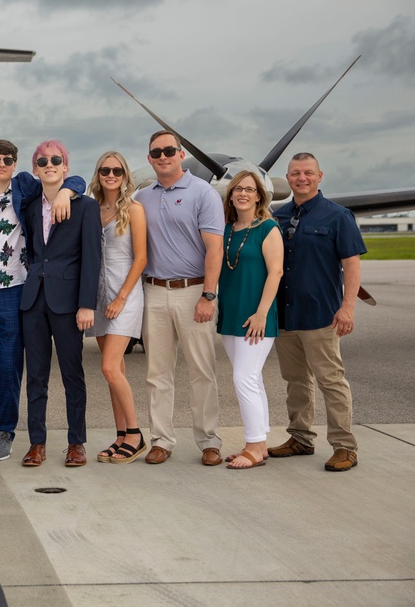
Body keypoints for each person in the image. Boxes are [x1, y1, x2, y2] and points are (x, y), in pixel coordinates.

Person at [0, 139, 85, 462]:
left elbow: (70, 180)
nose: (2, 164)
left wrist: (69, 191)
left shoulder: (23, 187)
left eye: (8, 159)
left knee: (9, 366)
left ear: (15, 165)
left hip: (14, 290)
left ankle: (6, 432)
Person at [271, 153, 366, 472]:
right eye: (295, 173)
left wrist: (347, 307)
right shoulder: (278, 217)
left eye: (308, 173)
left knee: (331, 380)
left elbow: (351, 264)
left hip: (321, 315)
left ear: (319, 176)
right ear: (288, 178)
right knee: (295, 380)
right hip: (285, 316)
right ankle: (300, 437)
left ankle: (344, 446)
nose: (302, 178)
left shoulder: (338, 216)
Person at [135, 130, 225, 466]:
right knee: (156, 373)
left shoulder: (203, 193)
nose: (163, 156)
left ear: (181, 153)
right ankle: (161, 440)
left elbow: (214, 248)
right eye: (156, 152)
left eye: (169, 150)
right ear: (149, 158)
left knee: (202, 371)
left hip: (193, 292)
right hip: (154, 291)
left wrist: (208, 295)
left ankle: (209, 441)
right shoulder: (142, 197)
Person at [19, 141, 101, 468]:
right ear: (36, 168)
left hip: (68, 303)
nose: (49, 164)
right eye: (43, 161)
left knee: (72, 375)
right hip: (33, 300)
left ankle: (76, 442)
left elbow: (92, 259)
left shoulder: (85, 207)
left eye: (56, 160)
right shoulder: (27, 205)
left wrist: (86, 304)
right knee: (36, 376)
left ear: (65, 167)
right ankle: (36, 443)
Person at [217, 171, 282, 469]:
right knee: (251, 378)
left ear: (259, 196)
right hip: (230, 315)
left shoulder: (268, 228)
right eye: (237, 189)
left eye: (249, 189)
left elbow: (276, 272)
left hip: (256, 318)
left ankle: (254, 446)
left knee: (243, 378)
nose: (243, 193)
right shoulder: (227, 229)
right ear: (230, 195)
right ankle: (261, 443)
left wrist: (261, 313)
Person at [88, 151, 148, 464]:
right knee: (116, 372)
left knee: (110, 367)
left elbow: (141, 258)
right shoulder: (92, 209)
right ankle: (120, 435)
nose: (111, 175)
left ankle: (136, 435)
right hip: (98, 296)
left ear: (125, 175)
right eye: (105, 170)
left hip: (124, 294)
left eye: (117, 170)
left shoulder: (134, 210)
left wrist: (122, 297)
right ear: (97, 174)